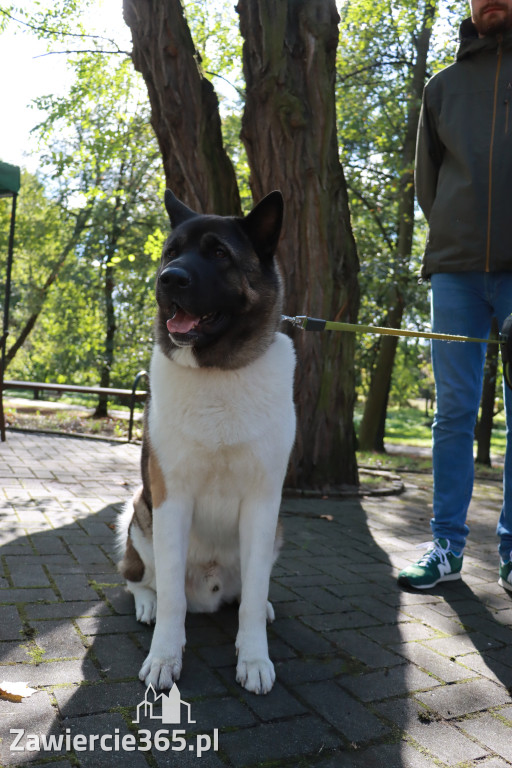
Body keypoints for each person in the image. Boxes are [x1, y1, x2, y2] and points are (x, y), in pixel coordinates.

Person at [398, 0, 512, 591]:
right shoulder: (442, 87)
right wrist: (457, 230)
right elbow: (428, 182)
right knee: (453, 414)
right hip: (456, 272)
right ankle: (445, 546)